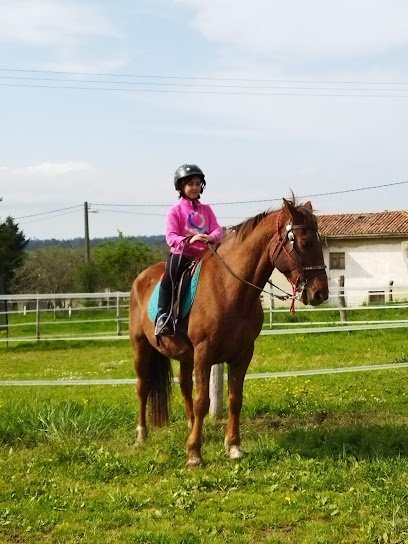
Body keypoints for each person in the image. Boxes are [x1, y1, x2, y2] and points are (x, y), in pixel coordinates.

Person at [155, 164, 223, 336]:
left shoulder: (206, 209)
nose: (194, 187)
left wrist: (212, 237)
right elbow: (171, 236)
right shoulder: (175, 210)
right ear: (181, 186)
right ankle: (163, 316)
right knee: (169, 278)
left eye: (198, 183)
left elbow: (217, 229)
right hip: (182, 254)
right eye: (190, 184)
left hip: (206, 254)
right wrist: (190, 239)